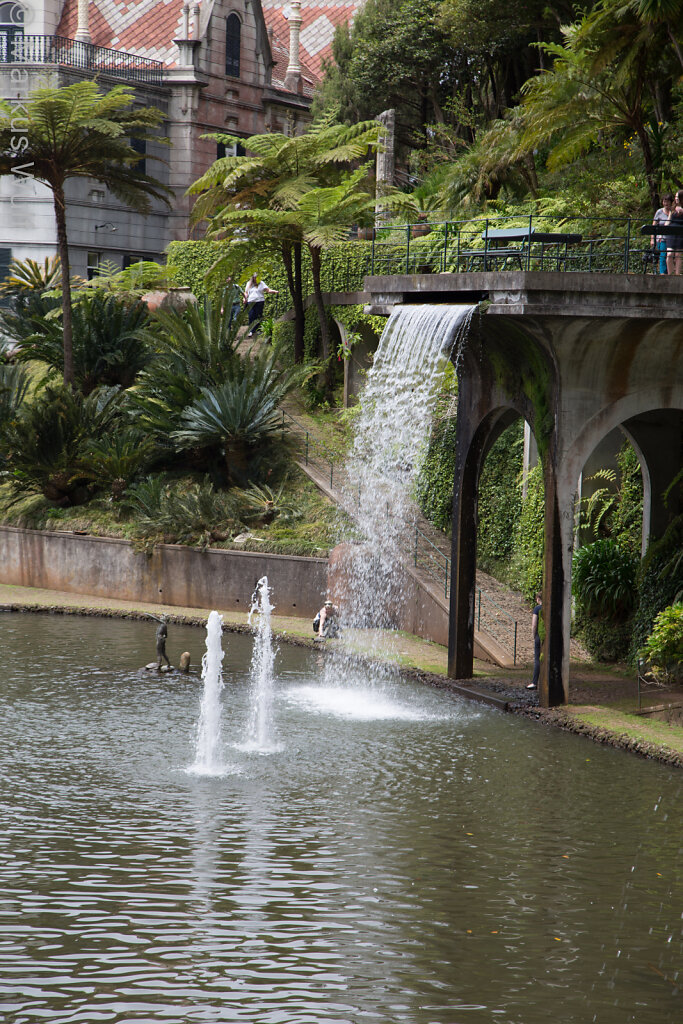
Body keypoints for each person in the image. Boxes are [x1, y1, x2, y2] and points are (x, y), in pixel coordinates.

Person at [652, 193, 673, 275]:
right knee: (663, 255)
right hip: (662, 238)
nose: (666, 203)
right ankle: (662, 273)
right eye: (664, 201)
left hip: (672, 237)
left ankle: (670, 272)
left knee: (672, 256)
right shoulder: (659, 212)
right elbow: (653, 225)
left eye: (668, 201)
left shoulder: (674, 211)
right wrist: (652, 239)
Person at [526, 592, 542, 690]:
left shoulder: (537, 609)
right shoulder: (549, 608)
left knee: (537, 660)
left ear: (538, 598)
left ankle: (534, 682)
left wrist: (533, 635)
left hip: (539, 636)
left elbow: (534, 624)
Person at [666, 190, 683, 276]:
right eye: (675, 197)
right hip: (671, 233)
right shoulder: (672, 209)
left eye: (678, 197)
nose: (676, 199)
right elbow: (668, 221)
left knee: (678, 255)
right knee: (669, 254)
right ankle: (670, 274)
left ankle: (677, 274)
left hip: (680, 234)